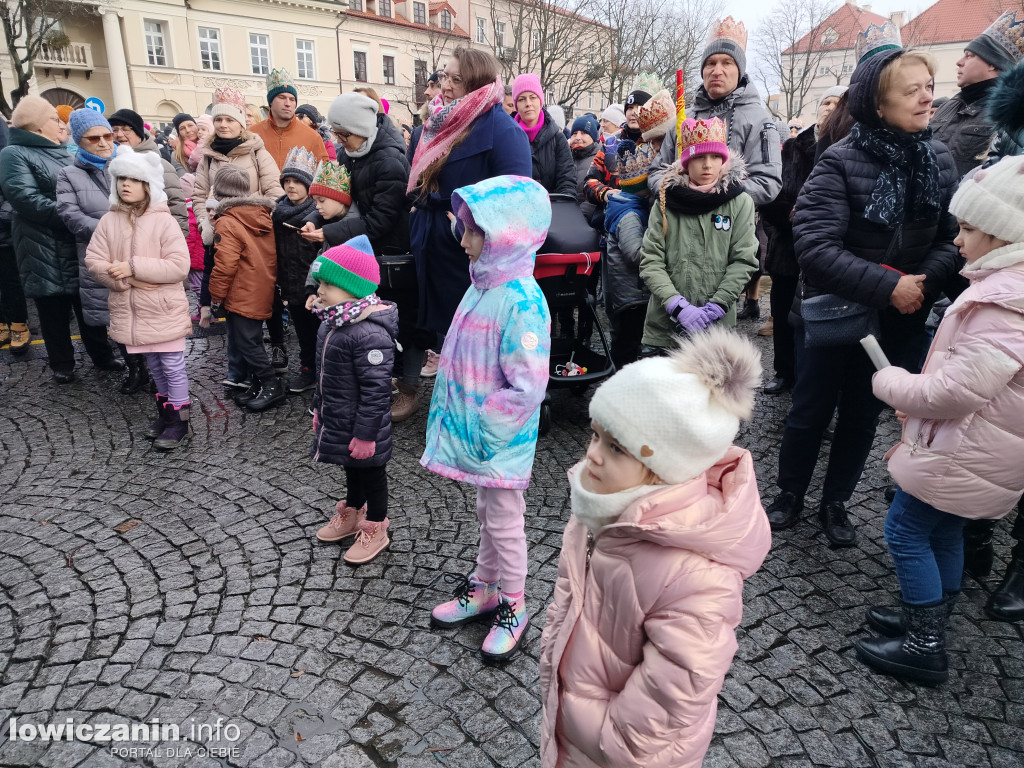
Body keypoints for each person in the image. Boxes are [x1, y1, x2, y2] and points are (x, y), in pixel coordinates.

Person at [539, 328, 771, 767]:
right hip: (574, 723)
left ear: (665, 467)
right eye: (595, 435)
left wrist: (606, 737)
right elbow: (569, 600)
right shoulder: (597, 512)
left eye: (617, 447)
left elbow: (674, 696)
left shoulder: (696, 578)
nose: (593, 456)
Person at [764, 49, 961, 546]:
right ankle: (790, 493)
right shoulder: (839, 159)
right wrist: (890, 285)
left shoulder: (937, 158)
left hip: (901, 319)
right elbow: (814, 248)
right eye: (911, 88)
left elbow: (951, 239)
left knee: (862, 414)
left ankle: (837, 502)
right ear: (876, 100)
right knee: (810, 409)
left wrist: (921, 284)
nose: (926, 97)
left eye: (928, 86)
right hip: (833, 315)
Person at [856, 154, 1024, 683]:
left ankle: (924, 644)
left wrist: (891, 384)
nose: (958, 240)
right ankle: (925, 616)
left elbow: (958, 389)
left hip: (964, 452)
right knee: (944, 534)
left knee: (905, 530)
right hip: (975, 448)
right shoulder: (1004, 293)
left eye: (970, 228)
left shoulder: (1004, 305)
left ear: (1003, 235)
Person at [424, 175, 551, 661]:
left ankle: (514, 602)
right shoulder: (482, 287)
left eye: (473, 230)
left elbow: (527, 385)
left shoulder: (521, 301)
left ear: (507, 236)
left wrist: (487, 430)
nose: (463, 240)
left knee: (505, 521)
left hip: (500, 442)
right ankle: (486, 585)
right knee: (488, 514)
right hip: (486, 441)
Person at [407, 46, 531, 340]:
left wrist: (462, 224)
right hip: (429, 244)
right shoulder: (435, 123)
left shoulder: (504, 132)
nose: (446, 86)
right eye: (444, 76)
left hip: (470, 251)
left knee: (472, 340)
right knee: (439, 335)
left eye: (457, 80)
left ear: (477, 84)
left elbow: (516, 204)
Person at [0, 95, 123, 383]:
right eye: (56, 120)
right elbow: (25, 198)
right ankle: (62, 363)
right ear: (39, 126)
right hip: (41, 244)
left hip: (73, 239)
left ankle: (102, 355)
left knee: (86, 301)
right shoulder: (13, 153)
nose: (61, 125)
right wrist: (74, 214)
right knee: (52, 305)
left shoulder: (62, 150)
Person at [84, 148, 192, 450]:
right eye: (120, 179)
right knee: (155, 367)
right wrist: (122, 280)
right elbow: (94, 259)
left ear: (148, 185)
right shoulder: (109, 221)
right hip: (131, 311)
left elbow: (177, 266)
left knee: (171, 366)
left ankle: (179, 420)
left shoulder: (164, 221)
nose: (125, 185)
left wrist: (132, 268)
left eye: (133, 179)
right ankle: (165, 414)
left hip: (162, 309)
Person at [326, 92, 421, 421]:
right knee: (375, 323)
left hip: (395, 253)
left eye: (343, 134)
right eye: (336, 135)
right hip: (368, 250)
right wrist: (315, 216)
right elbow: (332, 191)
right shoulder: (349, 152)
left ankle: (408, 389)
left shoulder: (390, 159)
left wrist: (329, 234)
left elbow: (381, 221)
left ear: (361, 128)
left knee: (404, 323)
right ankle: (381, 385)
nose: (339, 141)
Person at [311, 235, 398, 564]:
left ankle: (376, 524)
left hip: (366, 429)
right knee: (351, 469)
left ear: (354, 288)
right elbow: (324, 375)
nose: (319, 292)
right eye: (319, 284)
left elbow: (377, 392)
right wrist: (318, 409)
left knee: (372, 474)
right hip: (340, 418)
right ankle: (352, 510)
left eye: (327, 286)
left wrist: (365, 435)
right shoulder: (331, 324)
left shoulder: (369, 333)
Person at [639, 117, 759, 355]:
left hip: (716, 327)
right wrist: (675, 304)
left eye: (715, 157)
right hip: (665, 328)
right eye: (699, 157)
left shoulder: (739, 202)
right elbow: (651, 259)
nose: (708, 165)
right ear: (686, 161)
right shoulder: (665, 201)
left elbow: (744, 259)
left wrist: (718, 304)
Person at [58, 109, 155, 395]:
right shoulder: (68, 174)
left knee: (144, 311)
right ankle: (135, 369)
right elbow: (69, 214)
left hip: (138, 250)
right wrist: (111, 227)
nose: (103, 143)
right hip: (101, 255)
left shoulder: (127, 163)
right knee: (118, 316)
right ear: (80, 140)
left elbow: (152, 199)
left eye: (107, 136)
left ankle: (153, 369)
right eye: (93, 138)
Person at [759, 86, 847, 395]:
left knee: (819, 319)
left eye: (837, 103)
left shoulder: (848, 149)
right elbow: (771, 195)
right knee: (783, 315)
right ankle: (784, 372)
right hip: (788, 247)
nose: (829, 108)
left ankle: (815, 382)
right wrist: (791, 218)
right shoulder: (792, 148)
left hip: (828, 252)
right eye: (825, 101)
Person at [193, 87, 284, 339]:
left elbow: (275, 193)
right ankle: (242, 351)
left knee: (265, 287)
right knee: (233, 290)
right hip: (222, 232)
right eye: (219, 119)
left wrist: (255, 216)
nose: (223, 125)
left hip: (255, 231)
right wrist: (205, 223)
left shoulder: (257, 152)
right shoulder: (208, 158)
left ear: (241, 123)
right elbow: (199, 195)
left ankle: (277, 344)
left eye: (230, 119)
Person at [208, 165, 283, 411]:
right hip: (260, 286)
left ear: (218, 192)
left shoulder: (227, 221)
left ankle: (271, 386)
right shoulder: (258, 214)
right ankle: (259, 384)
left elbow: (225, 266)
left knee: (247, 342)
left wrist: (216, 297)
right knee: (251, 340)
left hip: (242, 290)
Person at [930, 11, 1024, 179]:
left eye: (969, 56)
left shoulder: (1009, 116)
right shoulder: (947, 106)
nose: (959, 62)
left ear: (993, 65)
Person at [273, 147, 321, 394]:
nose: (291, 186)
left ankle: (321, 369)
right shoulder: (278, 211)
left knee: (318, 329)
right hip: (290, 283)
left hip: (313, 284)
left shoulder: (318, 213)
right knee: (301, 330)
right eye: (287, 181)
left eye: (297, 181)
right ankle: (307, 368)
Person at [108, 108, 188, 236]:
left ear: (139, 133)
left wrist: (174, 240)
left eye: (125, 129)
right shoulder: (110, 165)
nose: (119, 134)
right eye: (115, 130)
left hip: (156, 240)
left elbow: (177, 207)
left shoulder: (160, 165)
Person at [250, 68, 329, 171]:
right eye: (281, 97)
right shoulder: (252, 134)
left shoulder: (313, 137)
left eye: (292, 99)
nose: (288, 103)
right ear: (270, 102)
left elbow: (322, 176)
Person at [512, 74, 576, 196]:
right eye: (521, 99)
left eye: (533, 97)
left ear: (540, 101)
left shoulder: (558, 139)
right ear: (516, 105)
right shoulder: (507, 140)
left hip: (554, 210)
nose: (528, 103)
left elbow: (567, 182)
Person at [0, 117, 31, 354]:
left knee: (9, 278)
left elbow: (11, 183)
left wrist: (4, 212)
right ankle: (2, 323)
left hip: (2, 224)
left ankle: (18, 324)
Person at [568, 115, 600, 221]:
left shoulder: (600, 158)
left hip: (586, 219)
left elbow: (594, 199)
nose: (578, 137)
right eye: (574, 133)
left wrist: (578, 218)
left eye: (584, 133)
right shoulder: (564, 156)